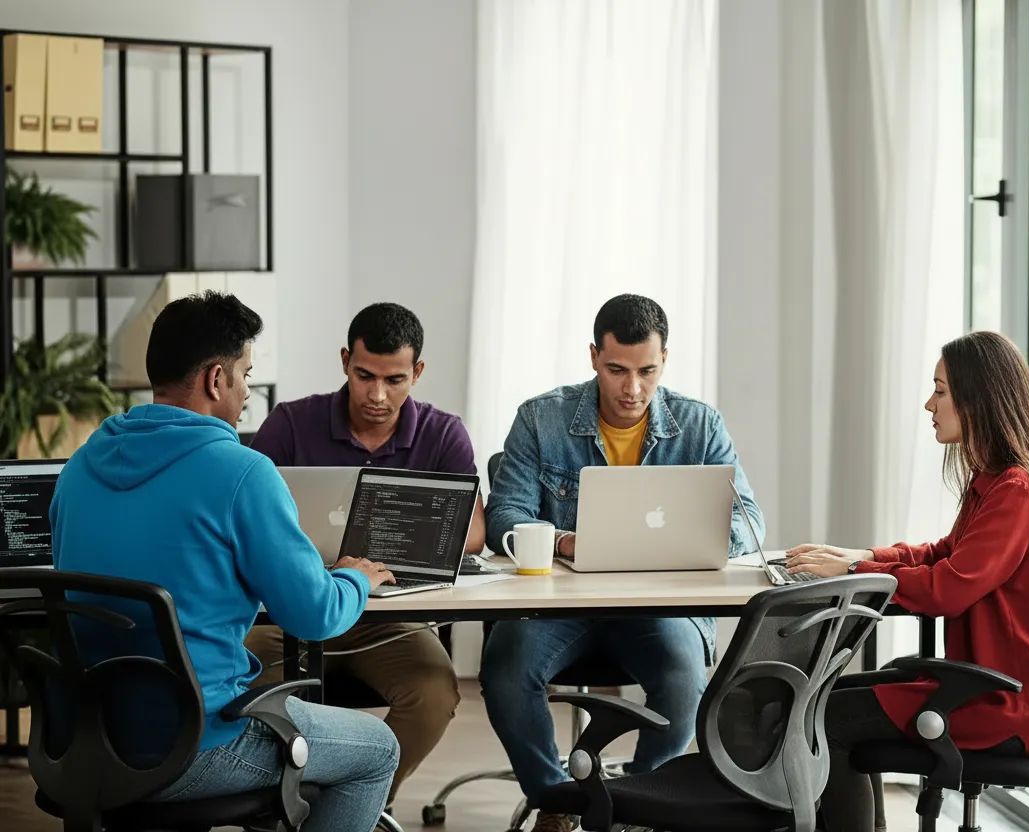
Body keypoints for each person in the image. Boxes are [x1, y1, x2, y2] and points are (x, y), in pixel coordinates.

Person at [50, 291, 400, 832]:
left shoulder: (77, 468)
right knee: (377, 749)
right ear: (217, 379)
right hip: (200, 743)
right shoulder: (242, 472)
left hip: (91, 736)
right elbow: (314, 615)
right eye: (246, 375)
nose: (246, 392)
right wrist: (354, 578)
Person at [482, 293, 766, 832]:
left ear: (665, 361)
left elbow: (748, 519)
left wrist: (682, 541)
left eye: (646, 371)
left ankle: (641, 805)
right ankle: (557, 800)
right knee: (505, 667)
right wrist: (565, 542)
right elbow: (504, 516)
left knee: (683, 673)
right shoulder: (541, 418)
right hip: (558, 608)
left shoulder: (699, 425)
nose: (632, 388)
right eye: (616, 370)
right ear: (594, 356)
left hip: (657, 608)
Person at [784, 331, 1029, 832]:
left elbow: (948, 588)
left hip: (1007, 702)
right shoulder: (1001, 480)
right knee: (820, 699)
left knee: (823, 719)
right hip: (998, 686)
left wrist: (856, 573)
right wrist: (863, 556)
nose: (929, 404)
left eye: (941, 391)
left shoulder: (1017, 489)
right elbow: (946, 554)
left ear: (978, 399)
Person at [244, 301, 479, 807]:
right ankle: (283, 802)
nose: (377, 395)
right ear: (345, 361)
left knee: (434, 694)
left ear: (417, 372)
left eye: (395, 380)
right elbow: (244, 519)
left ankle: (359, 803)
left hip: (388, 618)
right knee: (241, 685)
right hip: (290, 611)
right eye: (364, 376)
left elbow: (475, 533)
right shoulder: (290, 423)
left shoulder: (442, 433)